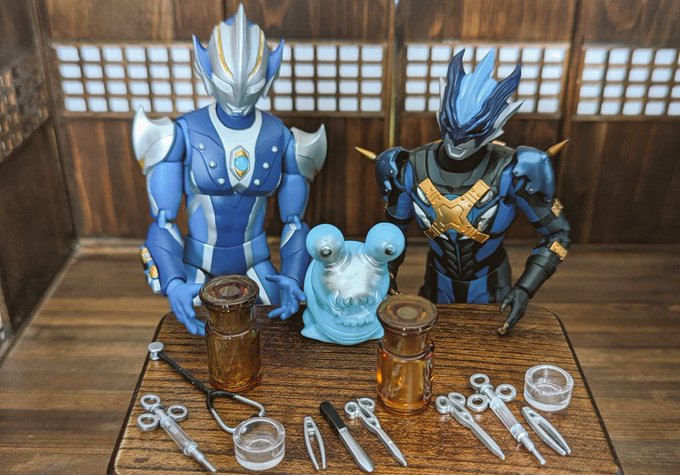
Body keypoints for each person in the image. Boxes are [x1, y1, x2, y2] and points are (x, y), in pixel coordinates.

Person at [133, 4, 326, 335]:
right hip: (197, 265)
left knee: (278, 331)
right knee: (194, 340)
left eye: (250, 87)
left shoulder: (281, 136)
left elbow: (295, 223)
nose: (238, 97)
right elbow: (163, 221)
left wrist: (294, 277)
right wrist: (174, 281)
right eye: (227, 85)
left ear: (268, 78)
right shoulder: (183, 133)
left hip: (255, 263)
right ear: (207, 72)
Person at [360, 49, 570, 334]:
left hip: (492, 287)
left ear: (493, 126)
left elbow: (558, 235)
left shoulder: (513, 170)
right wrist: (387, 274)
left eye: (472, 132)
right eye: (451, 127)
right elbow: (392, 234)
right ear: (442, 116)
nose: (459, 141)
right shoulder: (409, 167)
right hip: (436, 285)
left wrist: (525, 288)